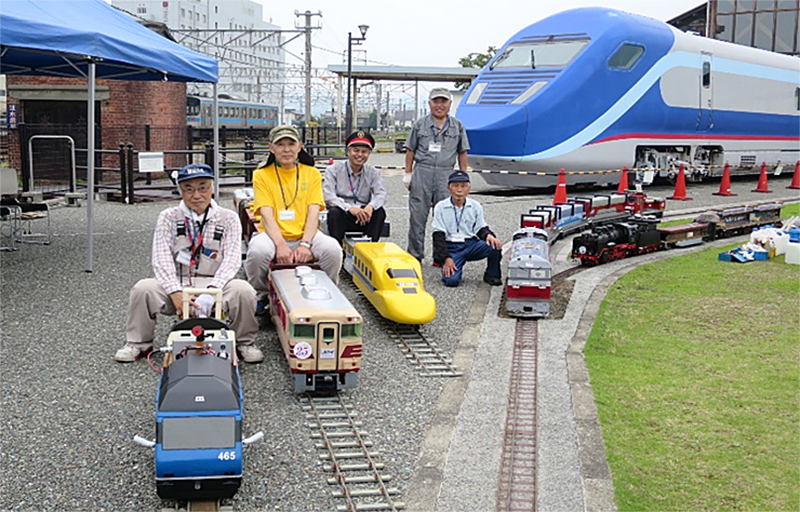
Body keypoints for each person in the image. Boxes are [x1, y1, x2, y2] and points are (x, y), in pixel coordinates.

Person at [114, 164, 262, 363]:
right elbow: (161, 259)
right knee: (143, 289)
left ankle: (245, 342)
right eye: (188, 189)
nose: (196, 195)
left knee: (244, 290)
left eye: (203, 187)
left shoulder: (229, 218)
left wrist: (211, 293)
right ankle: (138, 343)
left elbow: (232, 261)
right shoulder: (168, 217)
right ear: (180, 191)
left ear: (212, 189)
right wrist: (175, 292)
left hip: (215, 283)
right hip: (178, 282)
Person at [244, 125, 342, 314]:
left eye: (291, 144)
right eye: (280, 144)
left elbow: (314, 212)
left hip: (306, 235)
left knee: (333, 250)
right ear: (271, 148)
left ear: (300, 147)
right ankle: (261, 295)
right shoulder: (261, 174)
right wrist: (280, 244)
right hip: (272, 235)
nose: (286, 149)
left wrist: (305, 244)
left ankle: (330, 290)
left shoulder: (311, 173)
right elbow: (266, 213)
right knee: (257, 252)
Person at [403, 87, 470, 262]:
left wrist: (463, 177)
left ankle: (441, 256)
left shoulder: (458, 126)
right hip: (422, 172)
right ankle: (415, 256)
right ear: (430, 103)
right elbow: (410, 149)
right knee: (418, 217)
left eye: (443, 101)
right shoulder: (420, 124)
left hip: (446, 174)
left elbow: (462, 152)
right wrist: (408, 173)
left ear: (449, 104)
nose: (439, 105)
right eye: (436, 101)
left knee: (445, 216)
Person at [432, 170, 503, 287]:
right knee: (451, 281)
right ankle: (453, 265)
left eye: (463, 186)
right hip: (452, 247)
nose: (459, 190)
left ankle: (492, 274)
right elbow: (438, 235)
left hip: (470, 244)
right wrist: (445, 258)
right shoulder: (440, 207)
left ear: (469, 189)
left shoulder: (475, 206)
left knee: (494, 245)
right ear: (448, 189)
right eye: (455, 186)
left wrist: (489, 235)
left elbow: (480, 228)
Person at [322, 131, 387, 244]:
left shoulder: (373, 172)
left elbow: (381, 194)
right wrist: (349, 208)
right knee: (334, 212)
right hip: (344, 212)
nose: (360, 155)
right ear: (348, 152)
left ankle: (371, 248)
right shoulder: (333, 170)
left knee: (380, 212)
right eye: (356, 150)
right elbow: (329, 196)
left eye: (364, 152)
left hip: (364, 214)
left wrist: (370, 207)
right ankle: (337, 250)